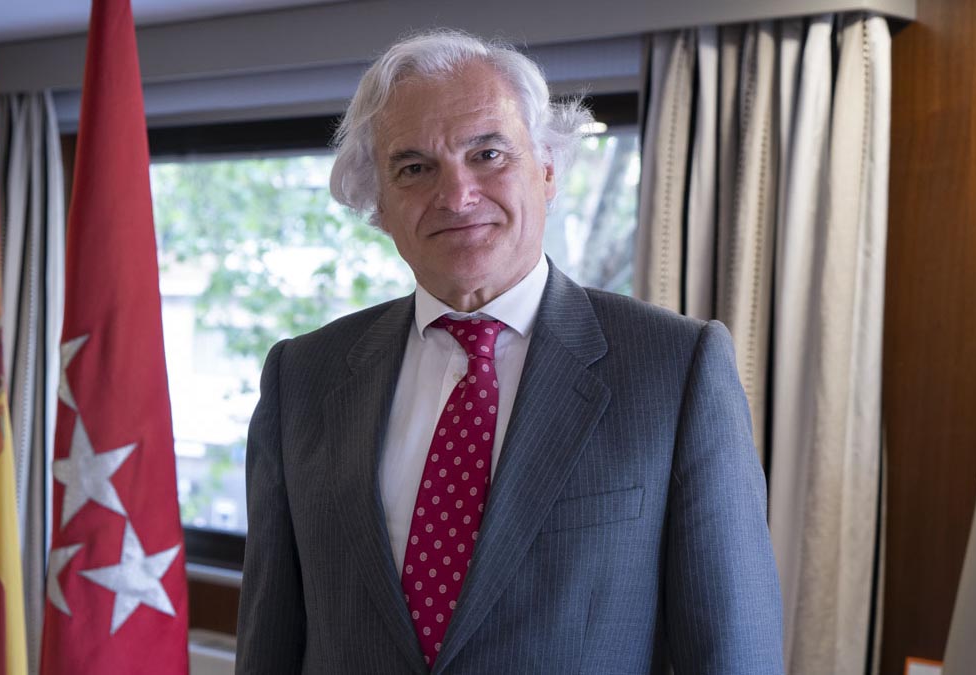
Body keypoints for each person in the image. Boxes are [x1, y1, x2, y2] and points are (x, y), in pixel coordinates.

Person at [236, 29, 783, 674]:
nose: (457, 195)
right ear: (379, 204)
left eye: (488, 154)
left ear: (547, 169)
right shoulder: (303, 377)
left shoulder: (675, 369)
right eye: (415, 168)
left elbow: (732, 654)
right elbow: (269, 641)